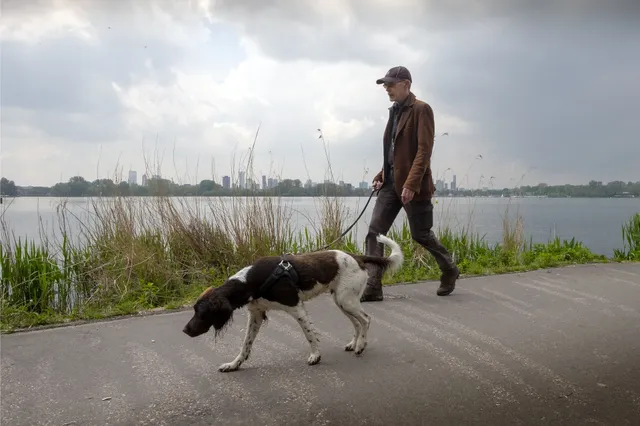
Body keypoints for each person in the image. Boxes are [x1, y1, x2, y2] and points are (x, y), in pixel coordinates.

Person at [361, 65, 460, 302]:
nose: (387, 88)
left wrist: (411, 183)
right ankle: (373, 286)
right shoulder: (394, 111)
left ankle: (449, 269)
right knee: (374, 233)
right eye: (385, 85)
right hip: (390, 185)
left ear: (406, 84)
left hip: (413, 186)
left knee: (421, 234)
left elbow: (424, 151)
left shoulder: (422, 110)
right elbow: (396, 152)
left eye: (390, 84)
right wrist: (383, 172)